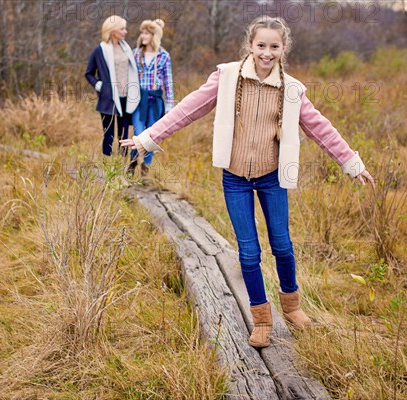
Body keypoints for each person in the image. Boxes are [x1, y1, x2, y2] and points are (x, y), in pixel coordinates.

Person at [121, 16, 375, 348]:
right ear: (250, 45)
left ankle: (292, 307)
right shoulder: (226, 78)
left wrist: (351, 163)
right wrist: (148, 137)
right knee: (249, 251)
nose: (267, 53)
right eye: (261, 45)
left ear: (283, 48)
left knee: (282, 244)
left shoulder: (292, 90)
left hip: (272, 177)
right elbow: (187, 110)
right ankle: (262, 319)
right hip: (235, 178)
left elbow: (321, 129)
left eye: (274, 46)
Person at [85, 16, 140, 157]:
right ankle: (107, 165)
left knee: (123, 135)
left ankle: (121, 166)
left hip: (126, 98)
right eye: (122, 28)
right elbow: (89, 73)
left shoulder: (126, 48)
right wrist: (100, 86)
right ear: (113, 30)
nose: (125, 31)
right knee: (108, 135)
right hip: (108, 100)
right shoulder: (100, 50)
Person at [127, 19, 174, 177]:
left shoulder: (163, 56)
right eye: (142, 32)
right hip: (139, 100)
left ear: (154, 35)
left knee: (151, 136)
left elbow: (168, 82)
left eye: (147, 33)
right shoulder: (135, 53)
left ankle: (145, 171)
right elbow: (129, 77)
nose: (143, 35)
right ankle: (132, 164)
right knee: (139, 133)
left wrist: (169, 106)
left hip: (155, 101)